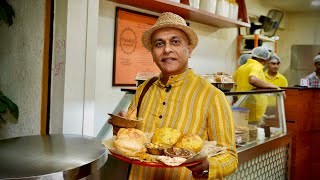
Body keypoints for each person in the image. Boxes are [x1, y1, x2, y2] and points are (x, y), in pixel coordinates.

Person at [111, 12, 237, 179]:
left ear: (189, 49)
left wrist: (207, 168)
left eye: (175, 42)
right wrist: (120, 129)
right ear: (152, 53)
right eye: (159, 43)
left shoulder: (212, 96)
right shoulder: (143, 90)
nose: (167, 49)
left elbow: (230, 157)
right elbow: (134, 143)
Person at [233, 46, 279, 123]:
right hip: (254, 111)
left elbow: (234, 84)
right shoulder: (257, 66)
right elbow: (252, 80)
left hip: (243, 109)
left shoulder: (241, 68)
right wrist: (273, 86)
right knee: (254, 132)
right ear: (265, 59)